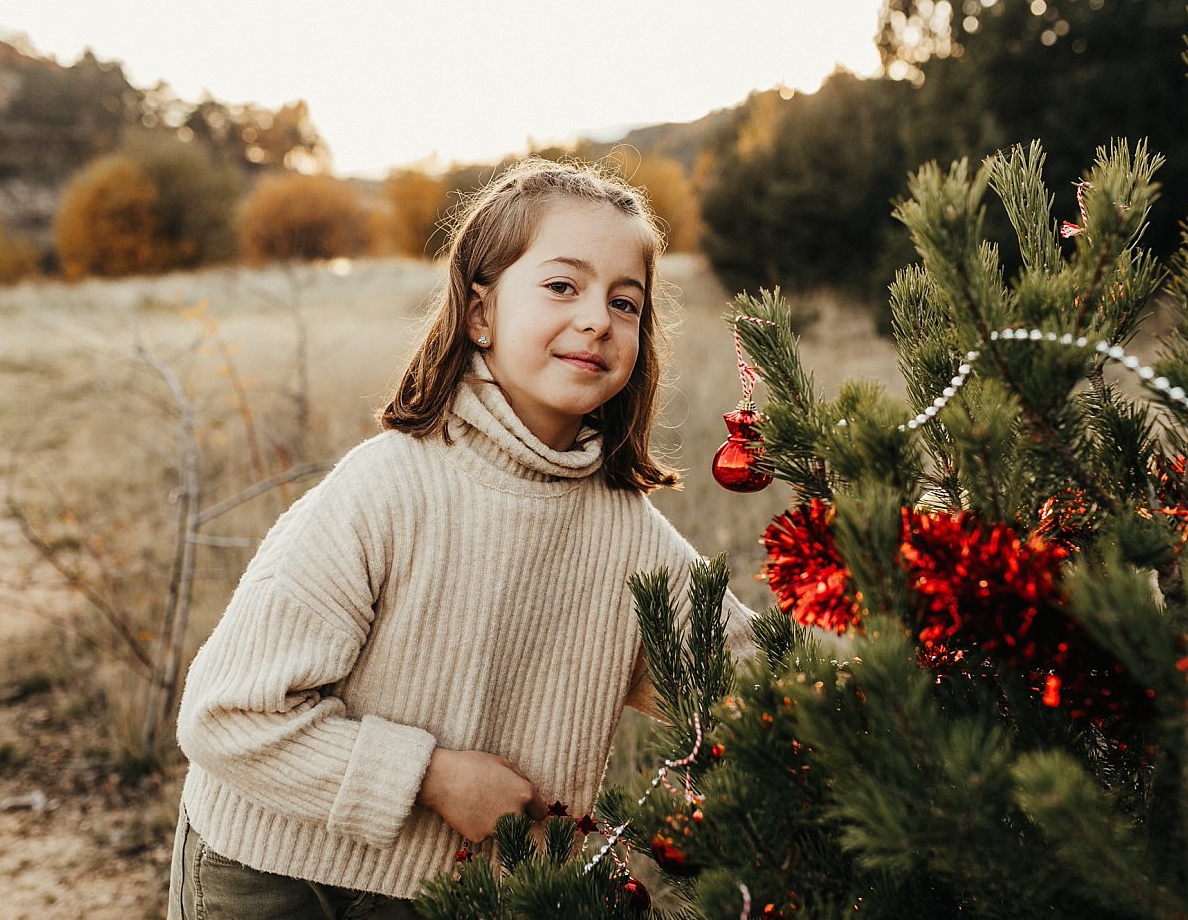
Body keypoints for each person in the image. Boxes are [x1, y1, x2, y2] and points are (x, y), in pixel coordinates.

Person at [167, 158, 754, 917]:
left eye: (625, 302)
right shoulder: (388, 487)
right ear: (481, 313)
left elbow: (755, 682)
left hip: (456, 898)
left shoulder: (631, 538)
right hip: (271, 873)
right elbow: (224, 715)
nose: (596, 320)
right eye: (561, 286)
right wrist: (432, 777)